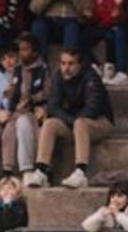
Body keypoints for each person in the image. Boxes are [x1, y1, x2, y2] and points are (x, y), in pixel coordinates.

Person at [23, 47, 115, 189]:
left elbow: (93, 109)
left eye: (71, 64)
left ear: (80, 64)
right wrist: (72, 122)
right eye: (63, 63)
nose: (66, 68)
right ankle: (41, 171)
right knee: (50, 124)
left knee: (80, 123)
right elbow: (53, 106)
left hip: (100, 121)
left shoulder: (91, 78)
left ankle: (80, 173)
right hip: (74, 122)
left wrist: (75, 123)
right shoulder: (58, 76)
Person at [0, 33, 48, 185]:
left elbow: (45, 95)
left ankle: (26, 171)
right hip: (7, 118)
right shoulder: (2, 78)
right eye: (3, 59)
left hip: (24, 117)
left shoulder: (38, 72)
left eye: (11, 56)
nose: (8, 62)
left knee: (21, 121)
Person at [88, 0, 125, 84]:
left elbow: (125, 15)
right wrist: (90, 16)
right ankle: (94, 65)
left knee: (111, 36)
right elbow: (95, 16)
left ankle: (109, 68)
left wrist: (118, 16)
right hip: (100, 26)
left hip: (114, 26)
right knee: (81, 37)